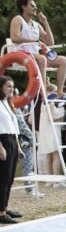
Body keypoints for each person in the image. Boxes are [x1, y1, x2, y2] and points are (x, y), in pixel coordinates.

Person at [9, 0, 66, 98]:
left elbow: (50, 42)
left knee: (63, 60)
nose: (35, 8)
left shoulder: (36, 25)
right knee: (42, 59)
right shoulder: (18, 19)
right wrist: (35, 41)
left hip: (34, 56)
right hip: (20, 54)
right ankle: (43, 91)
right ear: (24, 7)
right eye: (32, 6)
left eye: (35, 6)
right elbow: (14, 38)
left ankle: (60, 92)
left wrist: (45, 23)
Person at [0, 76, 24, 224]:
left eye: (12, 86)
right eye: (8, 86)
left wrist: (18, 146)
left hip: (12, 140)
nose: (11, 89)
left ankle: (5, 206)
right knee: (3, 177)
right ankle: (1, 211)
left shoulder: (8, 103)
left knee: (9, 178)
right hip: (3, 140)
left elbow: (13, 128)